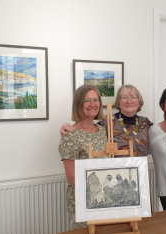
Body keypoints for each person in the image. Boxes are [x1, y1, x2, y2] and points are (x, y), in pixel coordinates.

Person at [60, 84, 166, 157]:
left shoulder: (147, 124)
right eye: (124, 97)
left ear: (139, 102)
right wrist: (68, 127)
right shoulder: (107, 122)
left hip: (142, 178)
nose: (129, 101)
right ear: (119, 103)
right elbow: (87, 129)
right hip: (115, 179)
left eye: (133, 97)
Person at [58, 84, 108, 230]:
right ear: (79, 104)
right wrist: (93, 198)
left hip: (104, 200)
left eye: (96, 100)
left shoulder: (102, 130)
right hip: (84, 203)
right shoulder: (70, 135)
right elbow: (72, 177)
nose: (93, 104)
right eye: (87, 100)